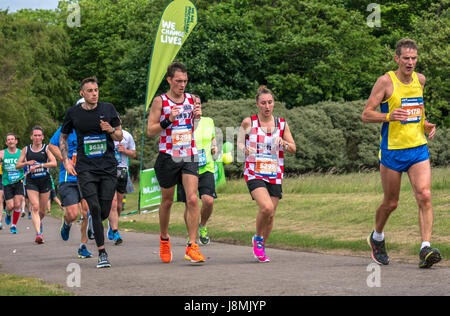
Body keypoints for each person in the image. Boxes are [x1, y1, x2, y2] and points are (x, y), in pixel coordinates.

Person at [362, 38, 441, 269]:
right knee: (391, 202)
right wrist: (388, 116)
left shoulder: (421, 80)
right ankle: (376, 238)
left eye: (414, 58)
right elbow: (366, 114)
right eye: (405, 58)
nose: (410, 62)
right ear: (397, 58)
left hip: (418, 148)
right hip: (392, 151)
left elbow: (417, 111)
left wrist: (426, 124)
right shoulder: (386, 81)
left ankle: (425, 248)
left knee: (424, 195)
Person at [60, 77, 122, 269]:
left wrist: (110, 129)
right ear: (82, 93)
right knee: (93, 208)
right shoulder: (74, 113)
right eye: (90, 91)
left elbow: (119, 134)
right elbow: (62, 137)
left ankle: (96, 230)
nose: (94, 94)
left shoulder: (108, 109)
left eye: (96, 90)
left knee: (103, 210)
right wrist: (66, 160)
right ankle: (102, 253)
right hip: (86, 168)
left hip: (108, 168)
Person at [147, 61, 205, 263]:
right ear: (169, 80)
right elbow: (150, 130)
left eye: (185, 81)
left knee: (192, 199)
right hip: (167, 156)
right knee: (168, 201)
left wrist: (197, 118)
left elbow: (193, 127)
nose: (182, 85)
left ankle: (192, 245)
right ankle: (164, 239)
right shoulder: (160, 101)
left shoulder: (193, 99)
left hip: (188, 154)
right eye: (178, 81)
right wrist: (168, 120)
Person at [237, 86, 296, 263]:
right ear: (257, 105)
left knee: (271, 215)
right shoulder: (249, 123)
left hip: (274, 174)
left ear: (274, 104)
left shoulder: (282, 124)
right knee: (267, 207)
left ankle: (261, 245)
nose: (267, 106)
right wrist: (244, 149)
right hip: (254, 172)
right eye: (263, 103)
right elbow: (239, 143)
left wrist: (284, 143)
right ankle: (257, 238)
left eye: (270, 102)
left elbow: (293, 148)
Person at [177, 94, 217, 245]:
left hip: (206, 167)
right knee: (190, 203)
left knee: (209, 201)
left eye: (199, 103)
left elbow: (212, 138)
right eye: (194, 104)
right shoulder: (183, 122)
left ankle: (202, 226)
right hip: (187, 167)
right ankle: (191, 233)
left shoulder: (209, 121)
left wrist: (214, 146)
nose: (197, 106)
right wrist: (194, 120)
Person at [49, 124, 92, 259]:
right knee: (73, 214)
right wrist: (65, 159)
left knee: (86, 212)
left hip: (86, 177)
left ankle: (83, 246)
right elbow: (51, 145)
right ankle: (67, 223)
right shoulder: (67, 128)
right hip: (68, 178)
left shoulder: (92, 128)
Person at [16, 126, 57, 243]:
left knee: (42, 211)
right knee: (35, 206)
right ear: (31, 137)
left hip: (45, 181)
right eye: (35, 135)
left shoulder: (47, 148)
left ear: (42, 137)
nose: (37, 138)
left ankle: (40, 221)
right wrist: (26, 163)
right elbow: (17, 165)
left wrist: (41, 165)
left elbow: (54, 163)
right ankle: (39, 234)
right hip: (31, 181)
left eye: (39, 135)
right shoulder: (26, 149)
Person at [107, 123, 136, 245]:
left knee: (118, 206)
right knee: (112, 203)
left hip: (122, 172)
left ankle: (111, 225)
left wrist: (125, 150)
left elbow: (133, 154)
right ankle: (115, 231)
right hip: (109, 171)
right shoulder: (106, 136)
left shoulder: (127, 136)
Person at [0, 133, 25, 234]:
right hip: (7, 182)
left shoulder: (21, 152)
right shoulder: (2, 153)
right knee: (10, 206)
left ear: (16, 141)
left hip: (19, 181)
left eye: (12, 139)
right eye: (8, 140)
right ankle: (9, 214)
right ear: (6, 142)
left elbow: (27, 163)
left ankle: (13, 225)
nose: (10, 141)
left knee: (18, 204)